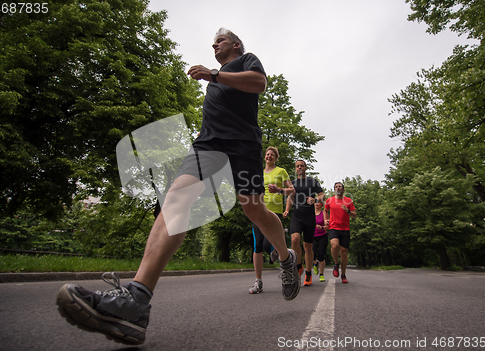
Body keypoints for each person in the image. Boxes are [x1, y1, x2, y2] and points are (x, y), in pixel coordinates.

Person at [56, 28, 301, 346]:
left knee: (253, 208)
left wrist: (214, 75)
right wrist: (214, 78)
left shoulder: (246, 61)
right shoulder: (217, 79)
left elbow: (259, 83)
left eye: (220, 41)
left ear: (236, 45)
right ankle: (135, 301)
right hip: (207, 146)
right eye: (213, 42)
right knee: (176, 201)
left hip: (242, 146)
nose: (214, 44)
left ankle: (285, 258)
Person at [249, 146, 295, 294]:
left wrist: (280, 190)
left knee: (269, 246)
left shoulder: (281, 172)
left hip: (274, 212)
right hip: (258, 211)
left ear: (276, 158)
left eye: (272, 155)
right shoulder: (259, 173)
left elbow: (292, 190)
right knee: (257, 246)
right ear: (265, 157)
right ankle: (258, 281)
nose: (269, 156)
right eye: (267, 154)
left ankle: (282, 247)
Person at [283, 160, 324, 287]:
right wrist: (287, 210)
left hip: (309, 217)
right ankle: (299, 265)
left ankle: (308, 273)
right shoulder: (293, 184)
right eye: (297, 166)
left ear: (305, 168)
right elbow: (290, 198)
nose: (299, 167)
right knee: (294, 239)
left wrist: (315, 199)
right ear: (295, 169)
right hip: (297, 215)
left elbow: (322, 195)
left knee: (307, 246)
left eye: (301, 166)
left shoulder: (312, 181)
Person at [324, 182, 357, 284]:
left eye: (340, 187)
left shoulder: (348, 201)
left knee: (344, 252)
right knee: (334, 245)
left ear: (343, 190)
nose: (338, 188)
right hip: (333, 227)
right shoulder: (330, 200)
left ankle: (343, 274)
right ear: (334, 189)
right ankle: (336, 263)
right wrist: (326, 220)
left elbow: (355, 215)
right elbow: (325, 210)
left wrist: (348, 211)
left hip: (345, 229)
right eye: (336, 187)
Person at [312, 200, 329, 282]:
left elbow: (328, 226)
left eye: (318, 202)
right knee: (312, 255)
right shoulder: (310, 213)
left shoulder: (323, 213)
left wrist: (322, 227)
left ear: (321, 204)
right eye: (315, 202)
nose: (316, 203)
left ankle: (321, 274)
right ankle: (315, 263)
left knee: (321, 256)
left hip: (322, 236)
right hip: (312, 236)